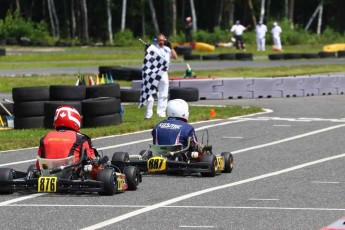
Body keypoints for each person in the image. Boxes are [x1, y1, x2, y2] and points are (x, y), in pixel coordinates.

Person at [36, 106, 96, 170]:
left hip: (47, 174)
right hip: (72, 176)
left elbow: (38, 165)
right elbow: (91, 161)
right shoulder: (82, 139)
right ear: (76, 119)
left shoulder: (46, 137)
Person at [142, 34, 178, 119]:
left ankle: (161, 114)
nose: (161, 42)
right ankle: (148, 114)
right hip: (153, 73)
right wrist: (146, 48)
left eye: (162, 40)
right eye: (159, 40)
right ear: (157, 41)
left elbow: (175, 57)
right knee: (150, 93)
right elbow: (146, 57)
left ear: (165, 40)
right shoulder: (153, 48)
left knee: (164, 94)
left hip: (164, 73)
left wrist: (171, 47)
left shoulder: (167, 49)